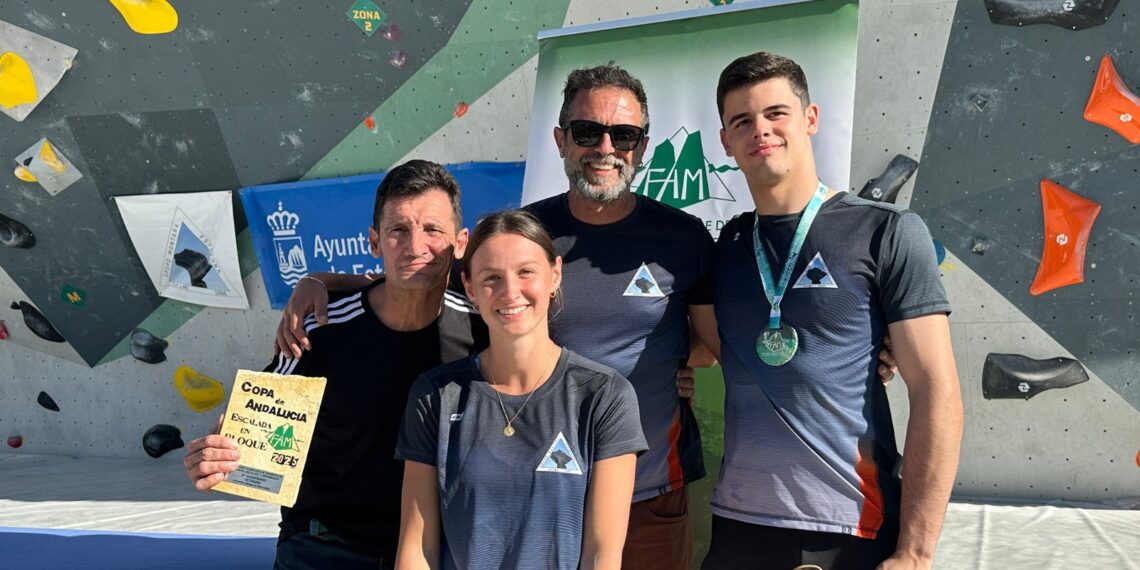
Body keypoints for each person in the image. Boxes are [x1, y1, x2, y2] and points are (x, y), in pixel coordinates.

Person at [702, 52, 963, 570]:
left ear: (811, 118)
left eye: (777, 113)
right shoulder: (727, 244)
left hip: (848, 527)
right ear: (725, 141)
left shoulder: (886, 230)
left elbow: (937, 388)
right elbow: (701, 347)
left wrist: (915, 551)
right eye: (742, 121)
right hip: (737, 525)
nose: (761, 130)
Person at [183, 160, 488, 569]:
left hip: (442, 547)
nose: (416, 246)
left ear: (461, 242)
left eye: (433, 230)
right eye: (399, 230)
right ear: (375, 242)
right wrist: (220, 453)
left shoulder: (483, 332)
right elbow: (254, 437)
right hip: (326, 543)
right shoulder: (320, 330)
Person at [395, 210, 646, 570]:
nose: (510, 292)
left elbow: (601, 555)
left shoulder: (605, 396)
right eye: (492, 278)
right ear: (470, 288)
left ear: (554, 274)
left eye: (526, 272)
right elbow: (417, 550)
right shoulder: (435, 395)